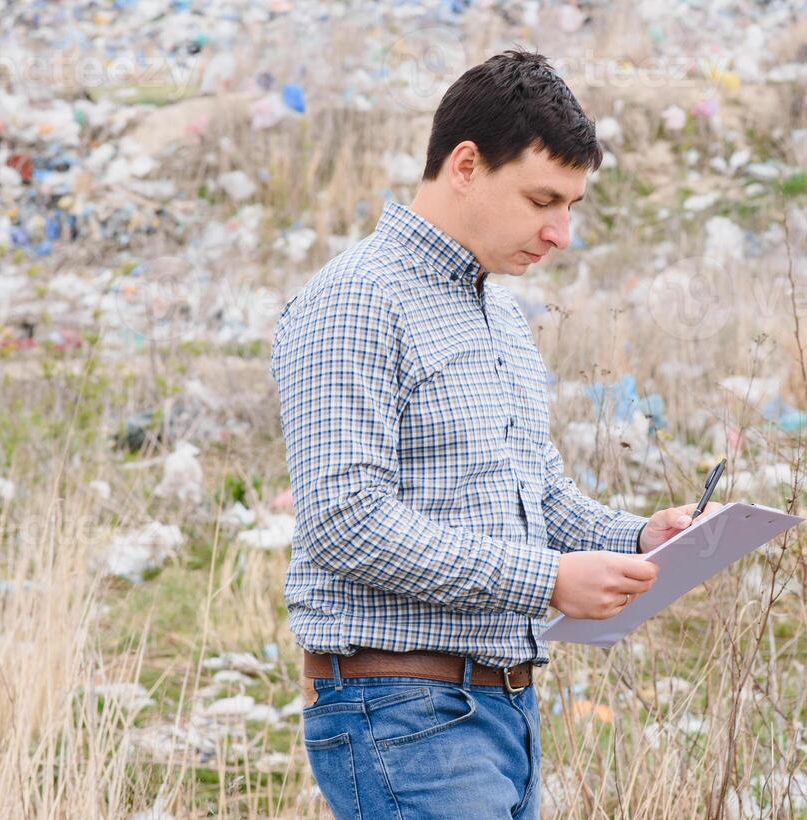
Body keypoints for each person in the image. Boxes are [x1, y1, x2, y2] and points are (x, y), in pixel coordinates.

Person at [271, 49, 714, 819]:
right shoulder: (356, 301)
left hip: (502, 707)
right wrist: (547, 582)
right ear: (466, 164)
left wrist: (642, 538)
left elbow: (535, 497)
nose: (560, 233)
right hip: (399, 708)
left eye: (572, 205)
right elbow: (344, 522)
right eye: (544, 199)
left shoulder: (499, 314)